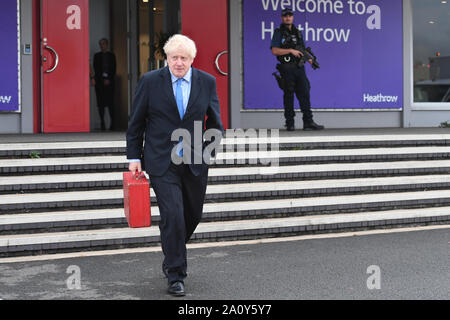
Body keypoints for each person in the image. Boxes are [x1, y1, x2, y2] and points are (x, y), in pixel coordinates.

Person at [126, 34, 224, 297]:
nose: (178, 63)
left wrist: (207, 152)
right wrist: (134, 158)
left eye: (184, 58)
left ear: (192, 59)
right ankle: (176, 274)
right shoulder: (149, 82)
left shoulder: (207, 82)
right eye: (173, 57)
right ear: (166, 58)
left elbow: (215, 124)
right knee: (173, 215)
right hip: (161, 160)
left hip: (194, 161)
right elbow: (136, 123)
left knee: (191, 216)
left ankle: (171, 247)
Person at [271, 8, 324, 131]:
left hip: (299, 68)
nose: (287, 18)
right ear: (282, 18)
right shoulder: (279, 32)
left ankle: (308, 122)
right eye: (285, 16)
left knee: (304, 93)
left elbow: (302, 50)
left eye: (289, 16)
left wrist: (310, 60)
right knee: (289, 95)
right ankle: (290, 123)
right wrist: (290, 50)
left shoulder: (298, 32)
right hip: (286, 68)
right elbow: (274, 50)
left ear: (293, 17)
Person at [93, 38, 116, 131]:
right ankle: (102, 122)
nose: (101, 46)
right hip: (99, 83)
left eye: (103, 44)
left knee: (110, 103)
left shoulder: (112, 55)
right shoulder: (97, 56)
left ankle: (112, 124)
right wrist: (102, 79)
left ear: (107, 45)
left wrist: (108, 79)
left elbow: (114, 68)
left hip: (110, 83)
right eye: (100, 44)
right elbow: (96, 68)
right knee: (100, 103)